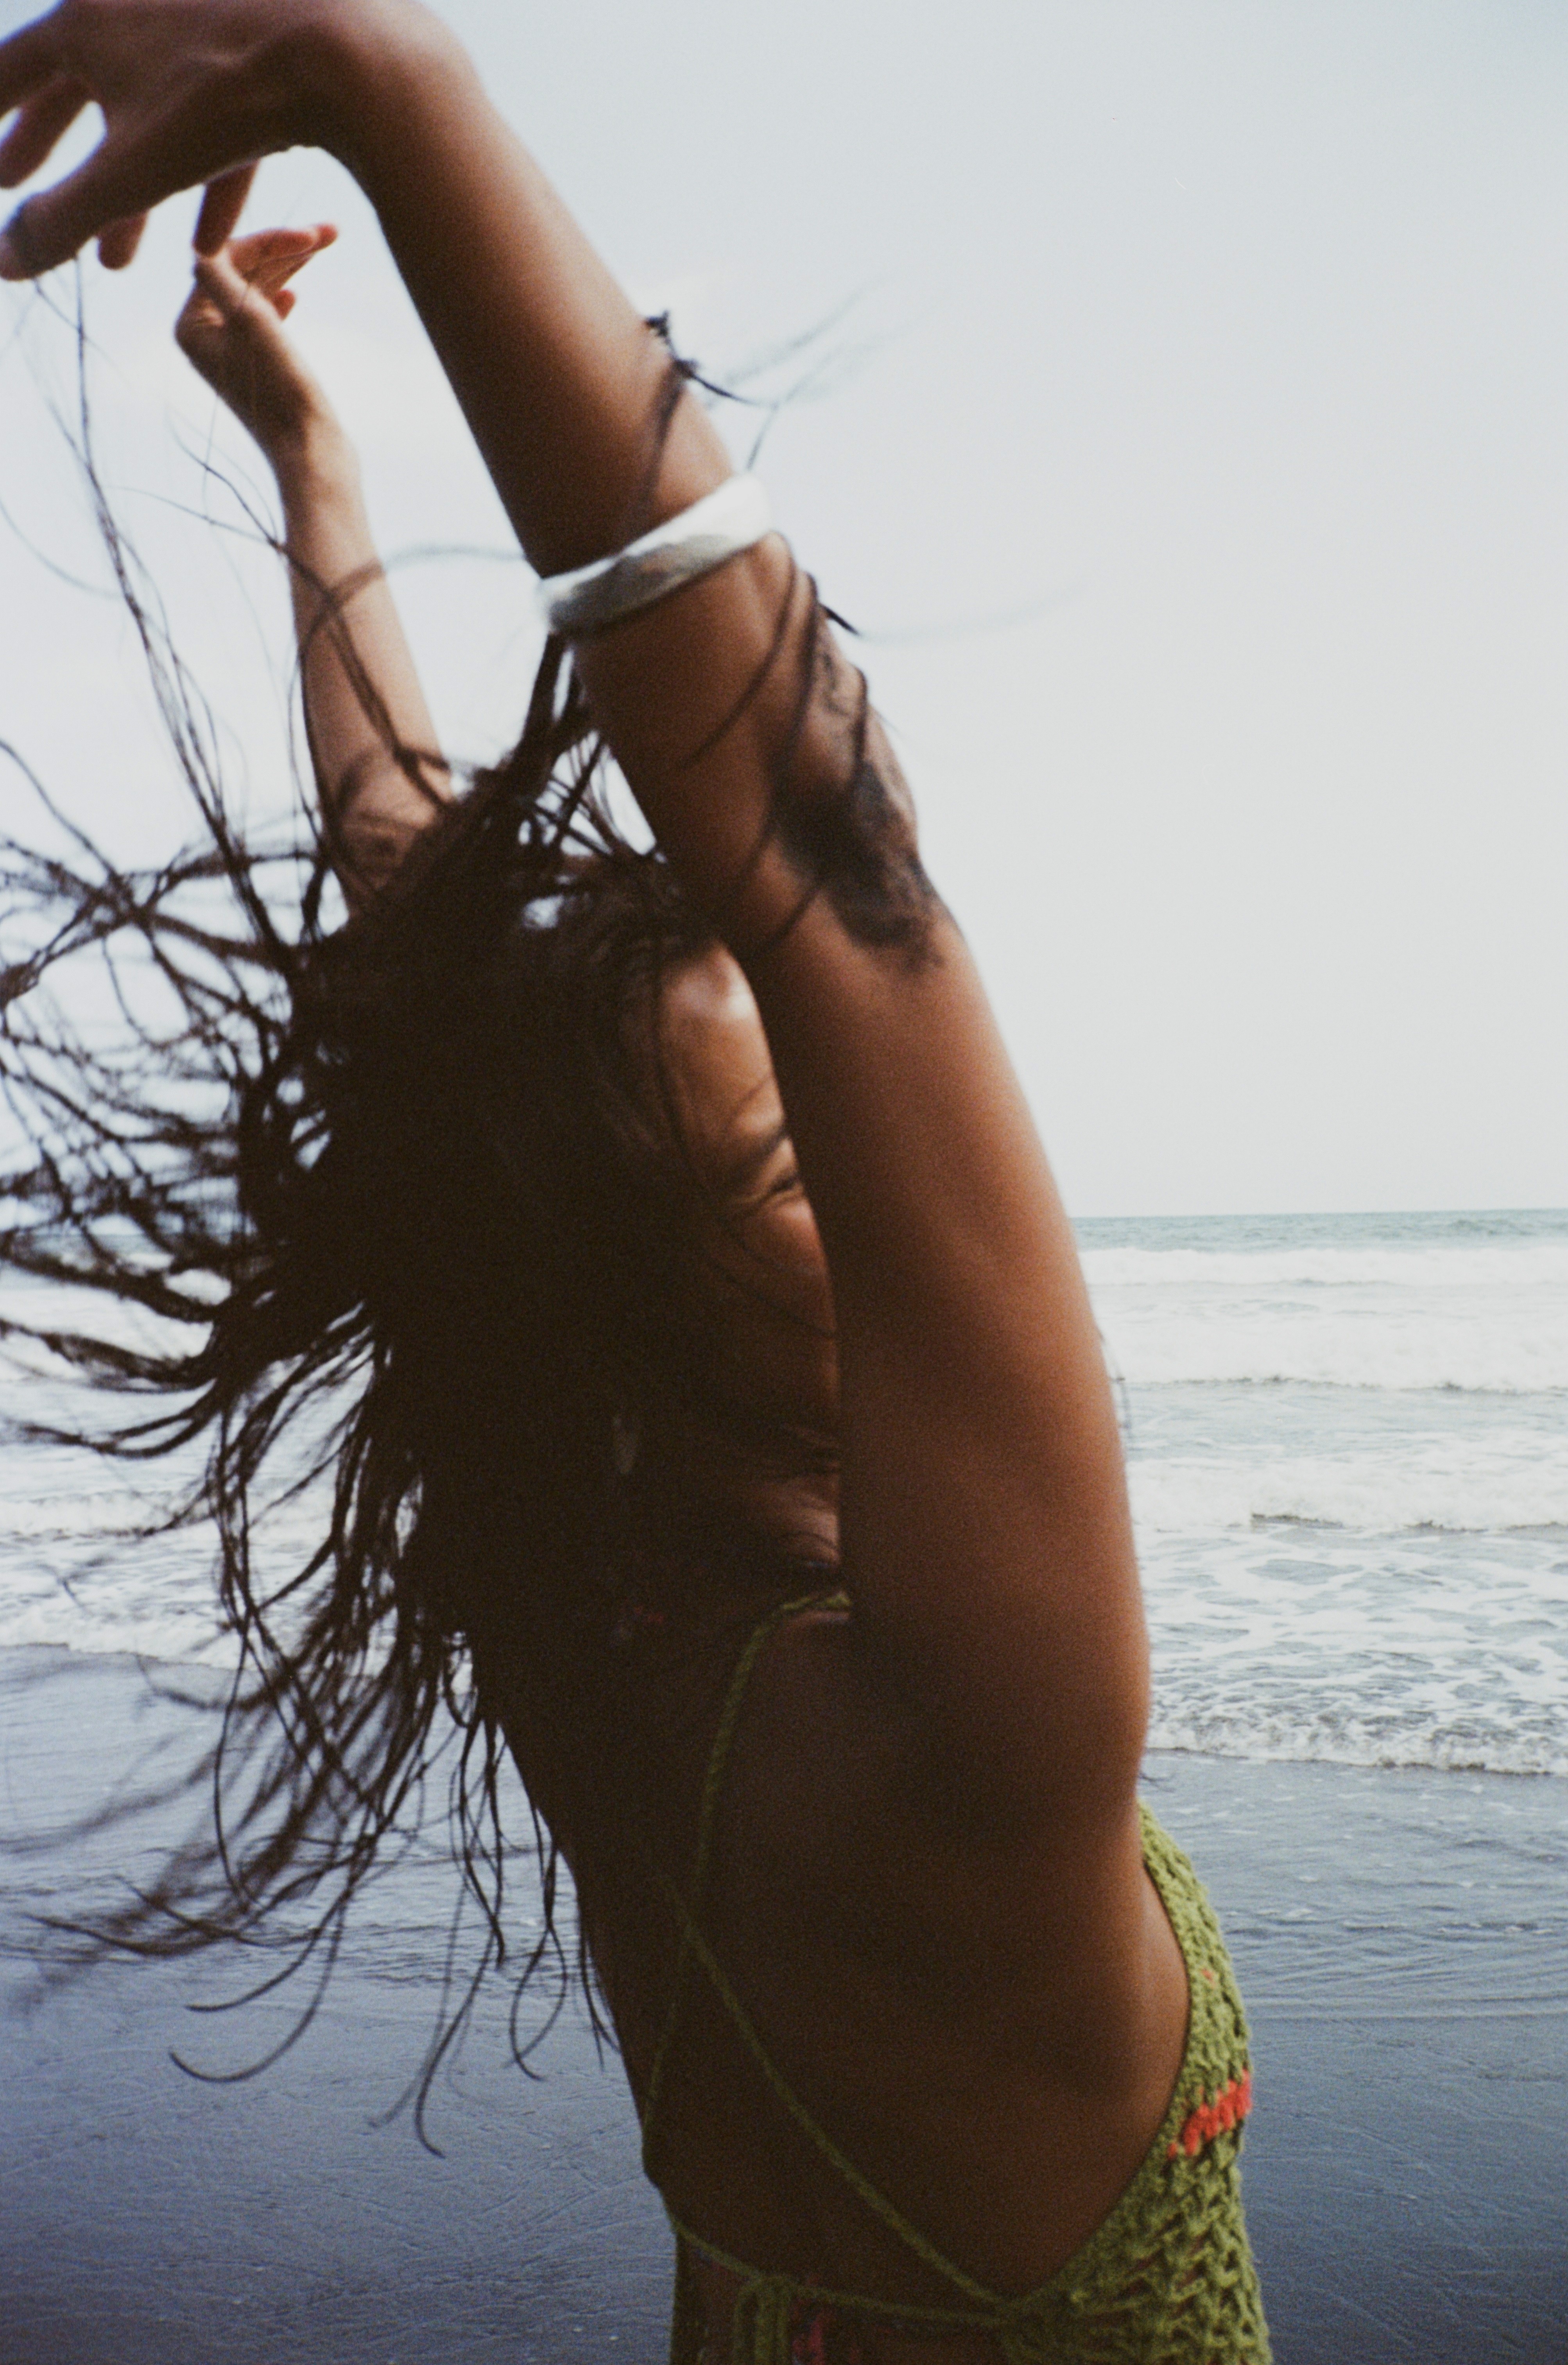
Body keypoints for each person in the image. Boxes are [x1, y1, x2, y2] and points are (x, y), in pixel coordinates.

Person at [0, 5, 1271, 2359]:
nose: (877, 1181)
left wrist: (324, 476)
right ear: (656, 1299)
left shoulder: (599, 1641)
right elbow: (843, 883)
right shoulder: (964, 1767)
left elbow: (421, 928)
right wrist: (396, 90)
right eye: (800, 1149)